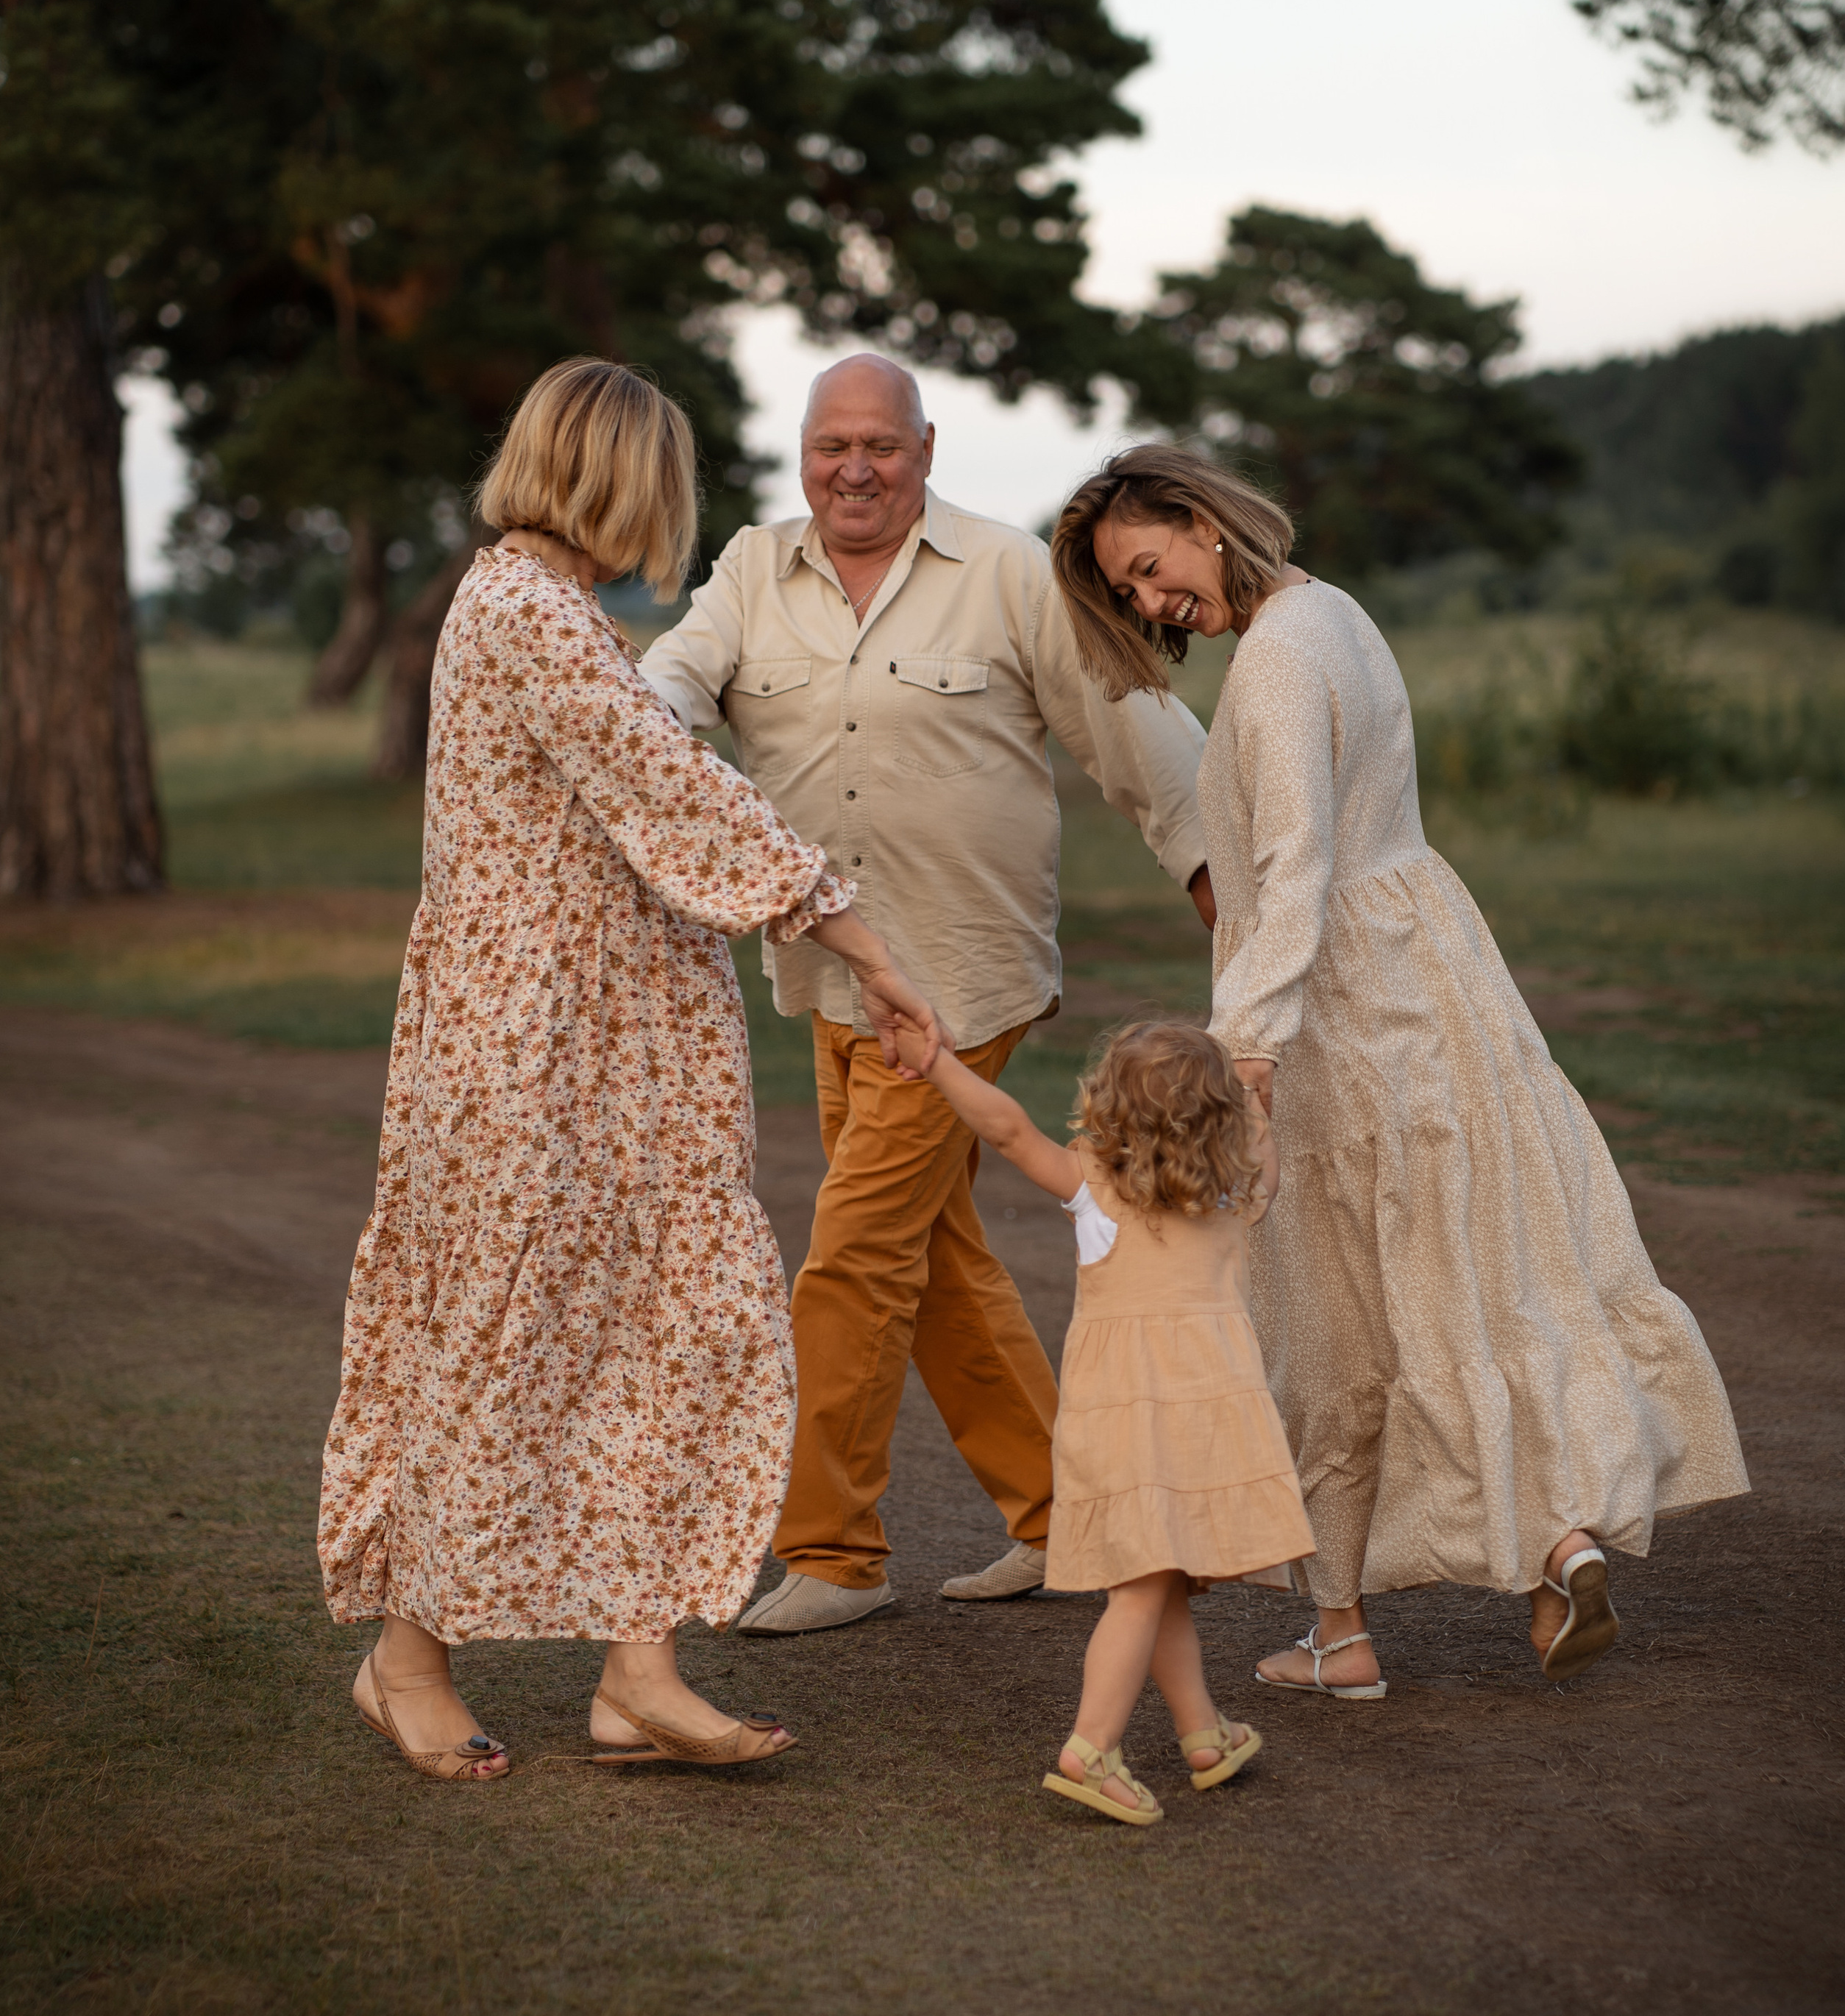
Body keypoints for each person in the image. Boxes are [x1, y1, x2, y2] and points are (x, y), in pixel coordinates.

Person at [316, 358, 942, 1780]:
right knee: (500, 1332)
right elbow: (682, 795)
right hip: (528, 1053)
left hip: (621, 1056)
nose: (675, 508)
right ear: (617, 477)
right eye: (665, 481)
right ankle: (405, 1656)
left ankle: (639, 1668)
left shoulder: (561, 610)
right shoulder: (524, 614)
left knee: (680, 1324)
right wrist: (867, 946)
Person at [1051, 444, 1749, 1697]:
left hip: (1337, 1016)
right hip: (1433, 971)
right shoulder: (1335, 612)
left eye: (1149, 569)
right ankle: (1556, 1548)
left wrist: (1248, 1059)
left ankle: (1345, 1634)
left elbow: (1298, 871)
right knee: (1467, 1280)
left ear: (1204, 523)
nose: (1153, 606)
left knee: (1330, 1311)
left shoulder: (1267, 669)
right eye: (1129, 595)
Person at [637, 356, 1214, 1633]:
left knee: (852, 1258)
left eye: (881, 447)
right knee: (939, 1257)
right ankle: (1073, 1524)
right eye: (831, 444)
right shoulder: (750, 571)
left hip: (961, 981)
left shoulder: (1008, 573)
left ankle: (835, 1553)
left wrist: (1230, 883)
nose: (855, 468)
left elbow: (1137, 734)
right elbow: (671, 684)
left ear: (926, 447)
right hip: (831, 976)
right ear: (803, 451)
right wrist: (635, 735)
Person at [895, 1013, 1314, 1822]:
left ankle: (1203, 1735)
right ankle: (1090, 1749)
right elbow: (1263, 1157)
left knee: (1153, 1583)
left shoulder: (1091, 1184)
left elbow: (1006, 1127)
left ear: (1108, 1107)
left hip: (1118, 1423)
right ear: (1220, 1116)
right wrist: (1257, 1102)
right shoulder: (1231, 1196)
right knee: (1144, 1586)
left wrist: (937, 1062)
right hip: (1203, 1425)